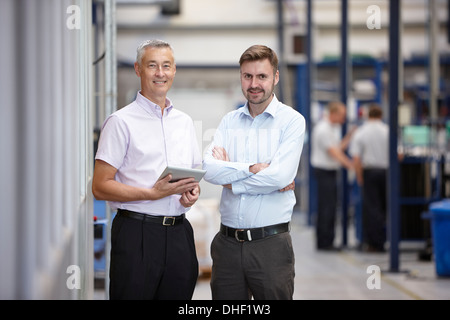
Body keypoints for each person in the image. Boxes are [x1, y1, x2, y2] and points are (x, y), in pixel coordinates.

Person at [92, 39, 201, 300]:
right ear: (138, 69)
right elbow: (99, 186)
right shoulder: (120, 122)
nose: (160, 73)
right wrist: (151, 194)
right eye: (152, 65)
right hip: (136, 235)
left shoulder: (184, 123)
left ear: (174, 71)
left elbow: (192, 175)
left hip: (179, 234)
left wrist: (192, 193)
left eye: (166, 66)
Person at [202, 45, 306, 300]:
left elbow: (280, 177)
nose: (254, 83)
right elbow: (208, 169)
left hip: (270, 245)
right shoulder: (229, 121)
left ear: (276, 77)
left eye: (262, 76)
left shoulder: (292, 122)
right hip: (226, 245)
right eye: (247, 76)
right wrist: (250, 169)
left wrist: (232, 180)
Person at [310, 101, 353, 251]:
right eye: (342, 115)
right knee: (326, 208)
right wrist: (351, 165)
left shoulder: (331, 129)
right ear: (333, 113)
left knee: (330, 207)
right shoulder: (323, 129)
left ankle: (327, 240)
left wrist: (349, 137)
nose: (343, 119)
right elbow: (334, 153)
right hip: (324, 173)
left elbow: (337, 148)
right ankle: (325, 242)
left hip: (329, 173)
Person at [349, 104, 388, 252]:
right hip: (386, 173)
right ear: (381, 115)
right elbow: (398, 154)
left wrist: (359, 176)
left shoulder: (361, 132)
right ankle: (383, 240)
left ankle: (373, 243)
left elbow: (356, 158)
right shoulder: (387, 130)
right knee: (384, 208)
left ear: (367, 115)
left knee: (372, 208)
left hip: (370, 173)